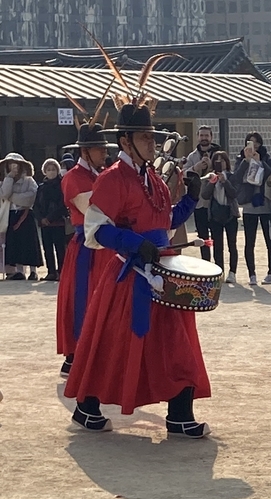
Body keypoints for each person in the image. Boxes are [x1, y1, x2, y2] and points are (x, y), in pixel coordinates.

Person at [65, 89, 210, 436]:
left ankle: (179, 414)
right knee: (114, 344)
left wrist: (191, 199)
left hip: (162, 271)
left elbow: (165, 221)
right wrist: (134, 243)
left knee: (177, 343)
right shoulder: (112, 178)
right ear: (125, 141)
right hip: (131, 276)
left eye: (153, 137)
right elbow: (96, 229)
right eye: (146, 137)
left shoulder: (153, 179)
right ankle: (87, 406)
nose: (152, 143)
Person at [56, 120, 114, 379]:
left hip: (105, 245)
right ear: (85, 151)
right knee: (83, 298)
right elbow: (94, 210)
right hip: (86, 247)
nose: (104, 152)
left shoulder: (100, 174)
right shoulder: (73, 177)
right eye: (99, 148)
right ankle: (76, 355)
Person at [234, 131, 271, 286]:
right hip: (249, 204)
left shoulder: (267, 158)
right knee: (249, 241)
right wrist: (246, 161)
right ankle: (252, 274)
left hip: (265, 203)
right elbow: (236, 178)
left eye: (257, 142)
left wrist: (260, 162)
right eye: (251, 142)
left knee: (270, 240)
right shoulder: (240, 159)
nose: (254, 145)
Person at [0, 153, 42, 281]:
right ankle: (19, 271)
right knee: (15, 243)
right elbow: (4, 194)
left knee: (30, 243)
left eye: (16, 164)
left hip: (26, 214)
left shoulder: (29, 180)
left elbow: (31, 197)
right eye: (10, 164)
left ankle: (33, 271)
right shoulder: (5, 181)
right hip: (11, 215)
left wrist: (13, 197)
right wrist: (9, 178)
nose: (14, 166)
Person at [183, 126, 221, 263]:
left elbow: (226, 172)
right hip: (199, 203)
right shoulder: (192, 156)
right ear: (197, 137)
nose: (204, 138)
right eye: (201, 135)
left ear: (211, 137)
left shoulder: (219, 154)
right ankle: (206, 264)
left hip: (215, 201)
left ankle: (219, 267)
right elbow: (184, 174)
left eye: (206, 135)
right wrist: (196, 167)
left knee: (217, 238)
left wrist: (211, 167)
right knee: (203, 237)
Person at [202, 150, 239, 283]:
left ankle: (232, 272)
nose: (220, 163)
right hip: (215, 215)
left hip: (230, 214)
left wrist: (225, 181)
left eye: (222, 160)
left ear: (226, 162)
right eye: (216, 160)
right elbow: (205, 195)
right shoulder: (210, 176)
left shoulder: (232, 176)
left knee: (232, 245)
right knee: (218, 246)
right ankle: (220, 271)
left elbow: (234, 194)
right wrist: (212, 182)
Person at [34, 158, 68, 281]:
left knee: (60, 248)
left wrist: (50, 217)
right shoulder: (41, 187)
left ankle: (62, 272)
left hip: (57, 222)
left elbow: (62, 205)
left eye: (53, 169)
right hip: (44, 224)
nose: (51, 172)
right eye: (48, 169)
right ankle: (51, 272)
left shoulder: (61, 185)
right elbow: (36, 205)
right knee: (47, 248)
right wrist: (41, 218)